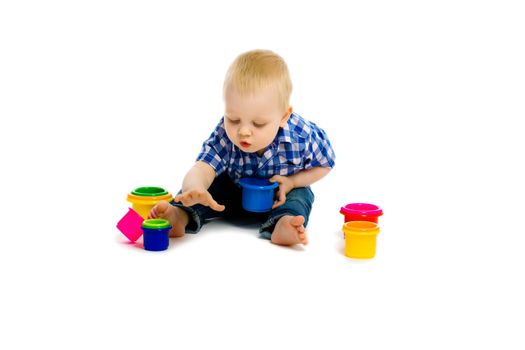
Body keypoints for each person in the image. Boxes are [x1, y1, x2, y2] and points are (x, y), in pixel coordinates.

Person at [149, 49, 335, 246]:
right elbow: (202, 167)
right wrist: (195, 187)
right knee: (209, 188)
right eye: (234, 119)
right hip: (233, 194)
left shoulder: (301, 136)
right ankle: (179, 215)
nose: (243, 131)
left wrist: (293, 181)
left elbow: (326, 162)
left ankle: (284, 223)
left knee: (301, 195)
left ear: (283, 117)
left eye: (259, 123)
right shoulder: (224, 134)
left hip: (278, 195)